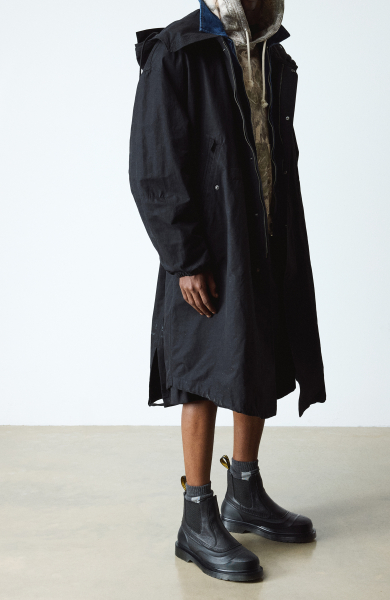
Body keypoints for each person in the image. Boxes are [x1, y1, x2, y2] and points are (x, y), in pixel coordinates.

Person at [129, 0, 326, 582]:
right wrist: (186, 259)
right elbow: (155, 164)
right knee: (202, 370)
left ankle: (245, 491)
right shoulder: (178, 49)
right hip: (209, 246)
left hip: (264, 233)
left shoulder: (273, 55)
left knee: (255, 354)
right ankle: (196, 517)